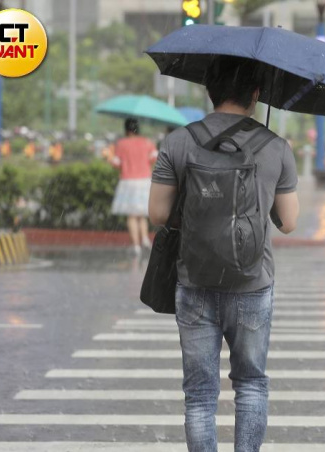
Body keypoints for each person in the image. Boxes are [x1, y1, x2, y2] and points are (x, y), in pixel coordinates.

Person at [148, 57, 299, 452]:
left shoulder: (179, 140)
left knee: (199, 395)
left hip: (194, 280)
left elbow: (158, 214)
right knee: (250, 384)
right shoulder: (276, 147)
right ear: (256, 94)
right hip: (252, 283)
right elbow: (289, 222)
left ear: (208, 89)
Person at [110, 118, 157, 255]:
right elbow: (154, 157)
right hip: (144, 181)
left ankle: (136, 245)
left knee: (131, 215)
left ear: (126, 129)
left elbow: (117, 163)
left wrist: (111, 158)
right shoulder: (147, 142)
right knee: (142, 214)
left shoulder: (122, 144)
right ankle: (145, 239)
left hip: (128, 182)